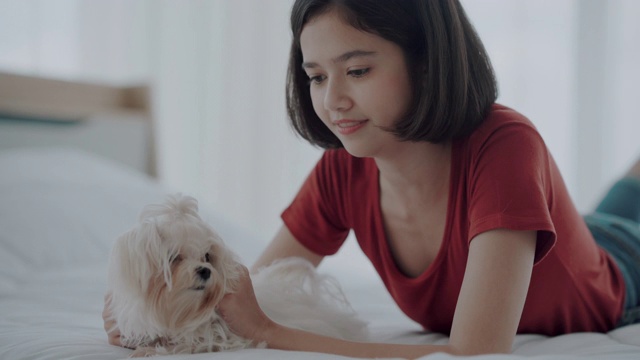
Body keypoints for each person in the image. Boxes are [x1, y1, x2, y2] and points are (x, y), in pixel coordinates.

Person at [104, 0, 640, 358]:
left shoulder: (506, 145)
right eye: (316, 76)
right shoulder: (343, 167)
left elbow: (475, 355)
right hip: (576, 233)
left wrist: (272, 334)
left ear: (428, 63)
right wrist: (144, 311)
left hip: (620, 273)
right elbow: (246, 288)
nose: (332, 101)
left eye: (357, 70)